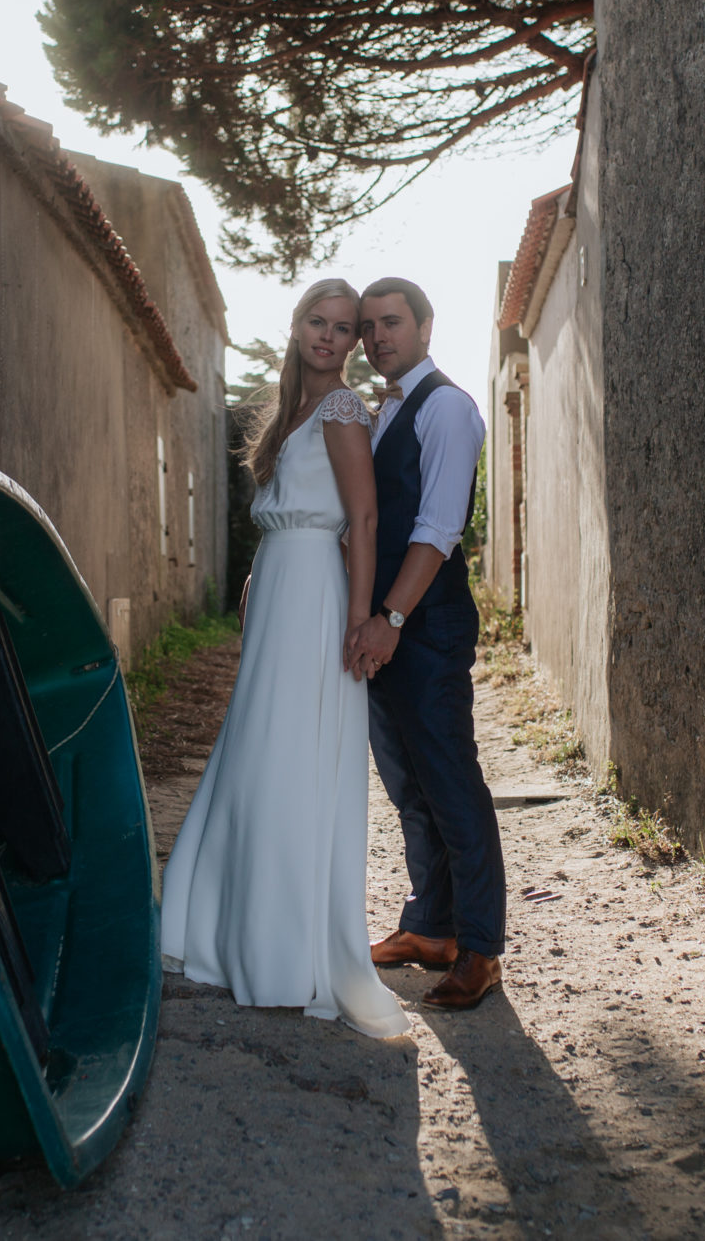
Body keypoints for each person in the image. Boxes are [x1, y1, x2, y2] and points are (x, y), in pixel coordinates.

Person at [158, 278, 410, 1039]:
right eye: (318, 321)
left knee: (291, 755)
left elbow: (361, 516)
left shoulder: (340, 408)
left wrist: (363, 614)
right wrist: (254, 575)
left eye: (343, 328)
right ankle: (227, 934)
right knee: (255, 751)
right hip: (278, 589)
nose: (330, 337)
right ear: (297, 325)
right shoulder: (289, 414)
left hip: (315, 603)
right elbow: (291, 513)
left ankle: (283, 949)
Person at [344, 277, 504, 1011]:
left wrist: (393, 620)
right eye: (369, 327)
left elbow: (438, 530)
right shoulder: (383, 413)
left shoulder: (447, 408)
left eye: (392, 323)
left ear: (426, 327)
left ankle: (479, 949)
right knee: (407, 784)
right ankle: (431, 927)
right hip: (387, 626)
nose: (379, 338)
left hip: (425, 624)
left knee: (449, 781)